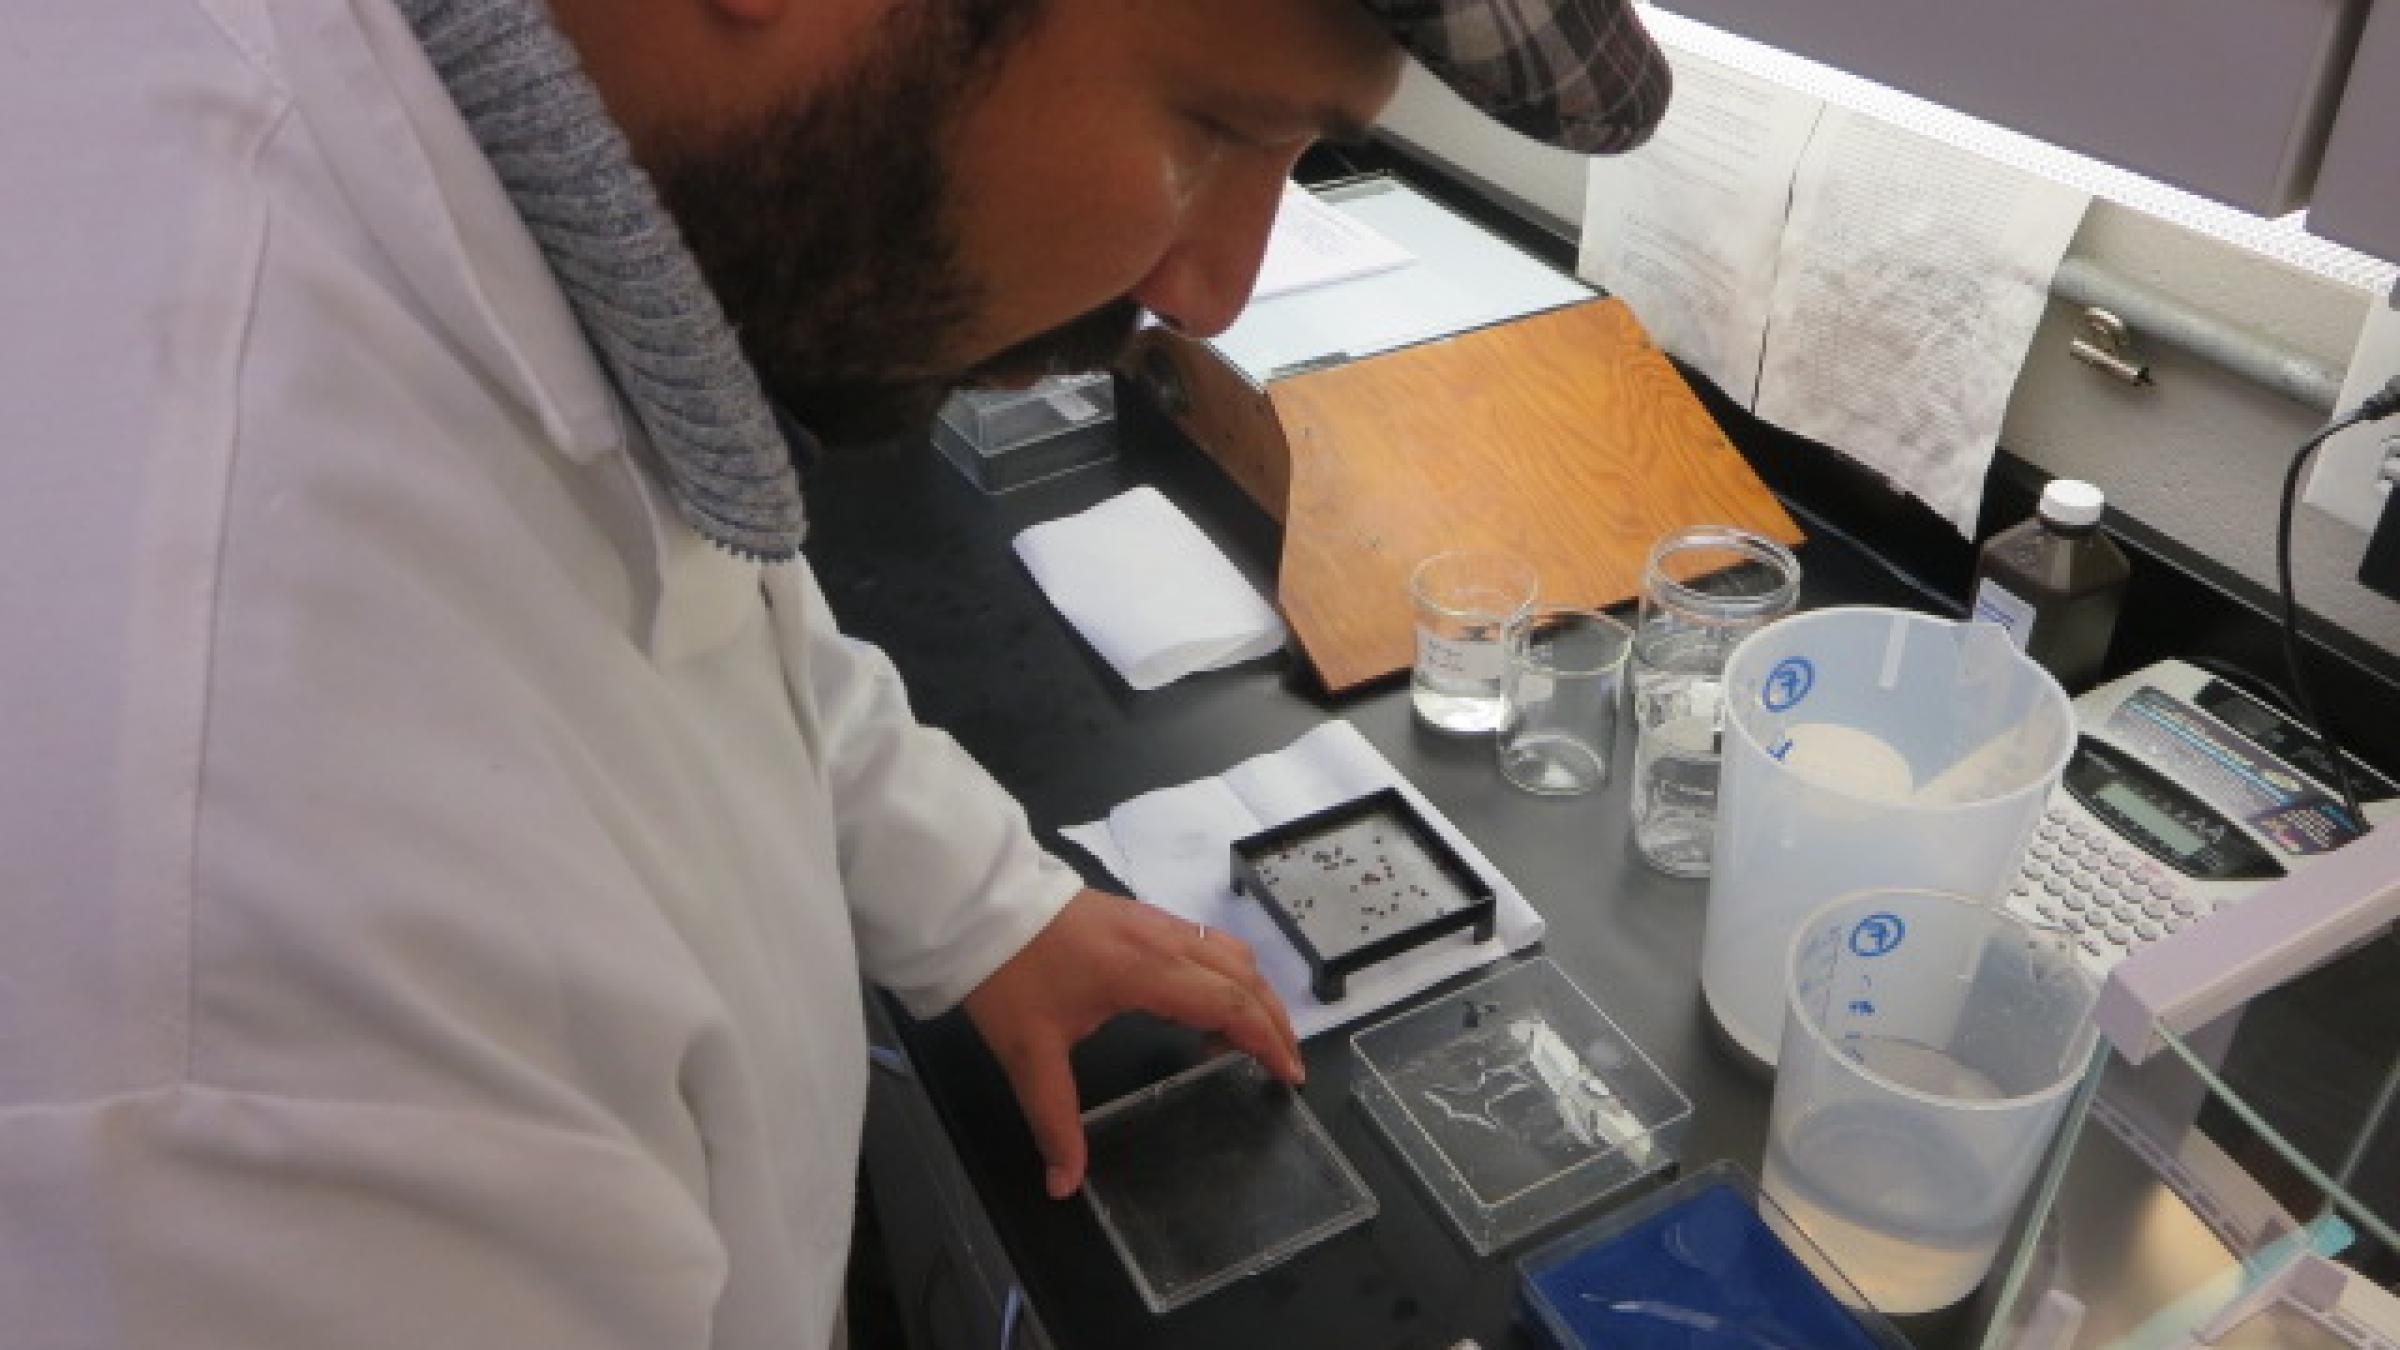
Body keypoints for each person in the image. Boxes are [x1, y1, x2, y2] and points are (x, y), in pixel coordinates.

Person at [0, 0, 1666, 1344]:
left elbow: (714, 576)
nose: (1215, 291)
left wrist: (980, 899)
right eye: (1215, 126)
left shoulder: (504, 192)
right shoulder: (270, 1012)